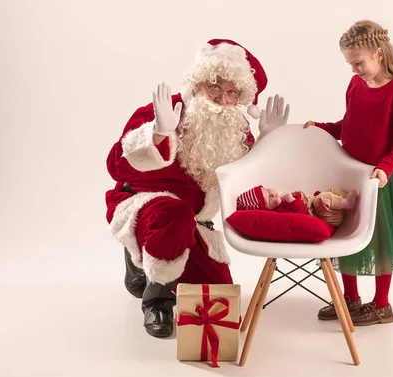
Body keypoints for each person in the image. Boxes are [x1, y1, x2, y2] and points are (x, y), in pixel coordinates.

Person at [105, 38, 291, 338]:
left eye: (231, 93)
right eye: (215, 87)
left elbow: (245, 187)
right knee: (175, 212)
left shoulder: (237, 129)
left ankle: (148, 262)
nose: (222, 98)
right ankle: (157, 297)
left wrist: (267, 142)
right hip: (144, 206)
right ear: (199, 82)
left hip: (194, 224)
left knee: (218, 295)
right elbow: (115, 167)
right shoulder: (166, 111)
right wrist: (157, 133)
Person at [304, 20, 393, 326]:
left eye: (358, 63)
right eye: (349, 64)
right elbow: (348, 124)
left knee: (381, 241)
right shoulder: (355, 85)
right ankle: (350, 299)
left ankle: (381, 305)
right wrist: (323, 129)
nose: (354, 70)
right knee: (347, 233)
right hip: (350, 176)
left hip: (380, 180)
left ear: (378, 54)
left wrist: (385, 168)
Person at [236, 185, 359, 227]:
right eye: (269, 198)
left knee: (330, 191)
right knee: (323, 199)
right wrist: (291, 201)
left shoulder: (281, 202)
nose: (272, 193)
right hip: (326, 217)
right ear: (266, 210)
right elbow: (301, 214)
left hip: (329, 210)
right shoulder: (280, 212)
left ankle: (346, 206)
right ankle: (346, 203)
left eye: (268, 190)